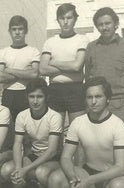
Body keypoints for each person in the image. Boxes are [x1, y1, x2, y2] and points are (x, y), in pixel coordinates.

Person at [48, 77, 124, 188]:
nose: (93, 101)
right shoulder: (78, 122)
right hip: (87, 172)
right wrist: (72, 177)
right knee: (56, 178)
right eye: (89, 97)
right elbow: (65, 157)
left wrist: (89, 181)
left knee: (120, 185)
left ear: (107, 98)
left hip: (111, 176)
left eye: (98, 97)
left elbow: (121, 167)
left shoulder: (118, 125)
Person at [0, 78, 63, 188]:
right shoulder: (22, 116)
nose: (35, 101)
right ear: (27, 97)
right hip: (33, 156)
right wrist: (19, 168)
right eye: (31, 96)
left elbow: (52, 151)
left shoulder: (55, 117)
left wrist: (26, 169)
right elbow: (17, 144)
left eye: (39, 97)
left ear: (46, 98)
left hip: (53, 159)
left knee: (41, 172)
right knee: (7, 170)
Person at [84, 7, 124, 128]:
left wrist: (122, 95)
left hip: (119, 103)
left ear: (116, 24)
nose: (104, 27)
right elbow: (88, 76)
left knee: (119, 141)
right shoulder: (91, 47)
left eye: (107, 23)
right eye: (100, 24)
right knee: (95, 140)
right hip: (96, 103)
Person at [39, 3, 89, 131]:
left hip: (76, 89)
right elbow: (43, 69)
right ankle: (56, 152)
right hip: (55, 90)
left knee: (77, 132)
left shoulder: (82, 39)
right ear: (58, 20)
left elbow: (77, 66)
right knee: (55, 131)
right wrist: (69, 65)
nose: (65, 22)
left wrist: (54, 62)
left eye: (69, 18)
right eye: (62, 18)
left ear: (75, 19)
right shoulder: (50, 42)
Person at [0, 15, 40, 122]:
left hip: (26, 93)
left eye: (20, 29)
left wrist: (9, 70)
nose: (17, 32)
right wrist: (25, 74)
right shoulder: (3, 52)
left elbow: (34, 75)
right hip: (8, 94)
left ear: (26, 31)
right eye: (14, 29)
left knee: (26, 127)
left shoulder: (33, 51)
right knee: (8, 127)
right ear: (9, 31)